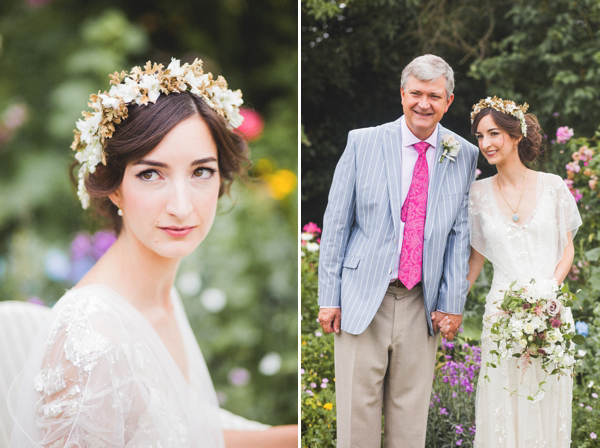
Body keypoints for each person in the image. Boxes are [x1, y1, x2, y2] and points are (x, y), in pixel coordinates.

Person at [7, 58, 297, 447]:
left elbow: (184, 435)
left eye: (201, 172)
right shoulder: (90, 337)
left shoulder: (160, 295)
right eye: (150, 174)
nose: (181, 205)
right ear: (113, 186)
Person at [317, 54, 479, 447]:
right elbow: (337, 222)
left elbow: (460, 237)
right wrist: (329, 297)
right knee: (357, 418)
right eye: (417, 93)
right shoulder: (363, 141)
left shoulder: (464, 154)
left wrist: (453, 303)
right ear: (402, 94)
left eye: (434, 96)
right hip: (360, 297)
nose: (424, 103)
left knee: (410, 421)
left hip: (420, 302)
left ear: (449, 101)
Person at [468, 96, 581, 447]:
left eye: (494, 133)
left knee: (547, 402)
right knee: (503, 405)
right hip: (501, 317)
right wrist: (449, 305)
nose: (486, 143)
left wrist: (548, 291)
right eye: (479, 136)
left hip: (550, 310)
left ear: (516, 135)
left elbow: (568, 248)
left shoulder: (554, 186)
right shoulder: (477, 193)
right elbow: (475, 260)